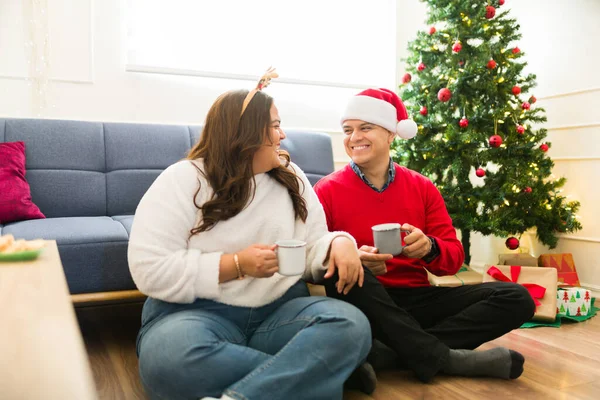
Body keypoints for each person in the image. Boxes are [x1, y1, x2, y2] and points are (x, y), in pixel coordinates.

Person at [127, 70, 373, 400]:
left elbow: (313, 245)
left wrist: (338, 243)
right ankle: (316, 375)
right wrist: (236, 264)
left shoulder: (290, 177)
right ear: (244, 133)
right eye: (274, 126)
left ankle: (245, 394)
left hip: (278, 315)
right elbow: (149, 269)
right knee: (169, 360)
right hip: (193, 316)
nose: (282, 135)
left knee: (350, 325)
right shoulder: (181, 180)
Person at [314, 88, 536, 383]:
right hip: (364, 299)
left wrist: (429, 248)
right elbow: (315, 260)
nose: (354, 137)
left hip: (417, 298)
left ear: (392, 134)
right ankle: (445, 358)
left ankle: (391, 353)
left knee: (516, 297)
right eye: (347, 130)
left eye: (365, 127)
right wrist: (355, 258)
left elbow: (454, 260)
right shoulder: (326, 191)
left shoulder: (421, 187)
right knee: (352, 275)